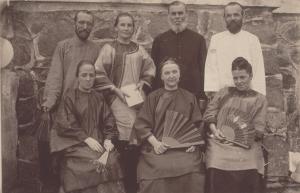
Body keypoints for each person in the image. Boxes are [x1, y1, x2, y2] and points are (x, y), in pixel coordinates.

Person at [94, 12, 156, 193]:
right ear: (116, 27)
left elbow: (150, 68)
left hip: (136, 99)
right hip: (116, 98)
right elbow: (98, 72)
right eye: (122, 25)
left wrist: (142, 83)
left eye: (129, 25)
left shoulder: (139, 50)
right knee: (124, 135)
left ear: (133, 28)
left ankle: (133, 182)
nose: (126, 28)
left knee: (137, 136)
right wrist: (114, 89)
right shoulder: (108, 49)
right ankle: (122, 183)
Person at [40, 10, 99, 188]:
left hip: (87, 109)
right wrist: (49, 104)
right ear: (75, 23)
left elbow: (99, 78)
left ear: (92, 26)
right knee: (60, 153)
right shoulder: (63, 46)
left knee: (88, 153)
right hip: (65, 110)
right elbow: (56, 77)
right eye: (81, 22)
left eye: (88, 23)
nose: (84, 26)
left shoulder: (95, 49)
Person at [50, 61, 124, 193]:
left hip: (99, 141)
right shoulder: (69, 96)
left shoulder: (99, 97)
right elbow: (65, 123)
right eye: (84, 75)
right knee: (92, 162)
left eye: (91, 75)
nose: (88, 79)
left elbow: (108, 119)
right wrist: (86, 139)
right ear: (77, 77)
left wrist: (108, 139)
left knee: (111, 161)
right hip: (75, 143)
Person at [134, 58, 205, 193]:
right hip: (158, 147)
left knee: (191, 166)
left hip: (184, 149)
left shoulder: (190, 97)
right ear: (161, 76)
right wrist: (155, 144)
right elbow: (142, 124)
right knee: (157, 167)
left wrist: (194, 143)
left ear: (179, 74)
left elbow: (198, 123)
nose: (171, 76)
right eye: (167, 73)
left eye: (174, 72)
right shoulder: (153, 97)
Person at [203, 57, 267, 193]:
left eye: (242, 77)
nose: (239, 81)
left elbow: (259, 127)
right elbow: (210, 114)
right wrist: (215, 131)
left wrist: (242, 136)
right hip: (219, 141)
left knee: (252, 164)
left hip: (246, 144)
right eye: (235, 78)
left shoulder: (260, 99)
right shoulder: (224, 93)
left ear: (251, 76)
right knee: (215, 162)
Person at [204, 2, 266, 97]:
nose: (232, 18)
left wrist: (257, 95)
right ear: (224, 18)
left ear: (242, 16)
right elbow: (211, 67)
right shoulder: (216, 39)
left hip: (247, 94)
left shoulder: (252, 39)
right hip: (223, 94)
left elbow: (258, 69)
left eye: (236, 15)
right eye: (229, 15)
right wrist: (213, 91)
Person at [151, 1, 207, 103]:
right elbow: (154, 69)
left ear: (186, 15)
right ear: (168, 16)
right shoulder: (159, 40)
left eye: (180, 13)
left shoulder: (198, 40)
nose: (177, 17)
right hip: (166, 96)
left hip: (192, 94)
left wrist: (202, 95)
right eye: (173, 14)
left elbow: (203, 69)